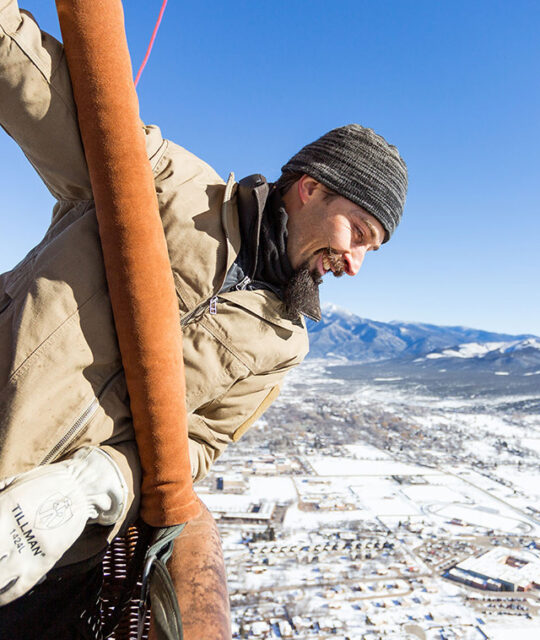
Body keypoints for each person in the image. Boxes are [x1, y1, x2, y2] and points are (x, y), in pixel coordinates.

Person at [0, 0, 407, 632]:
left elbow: (200, 445)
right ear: (310, 187)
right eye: (359, 232)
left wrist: (91, 483)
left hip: (52, 553)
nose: (354, 263)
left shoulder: (283, 343)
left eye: (371, 251)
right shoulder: (168, 185)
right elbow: (26, 77)